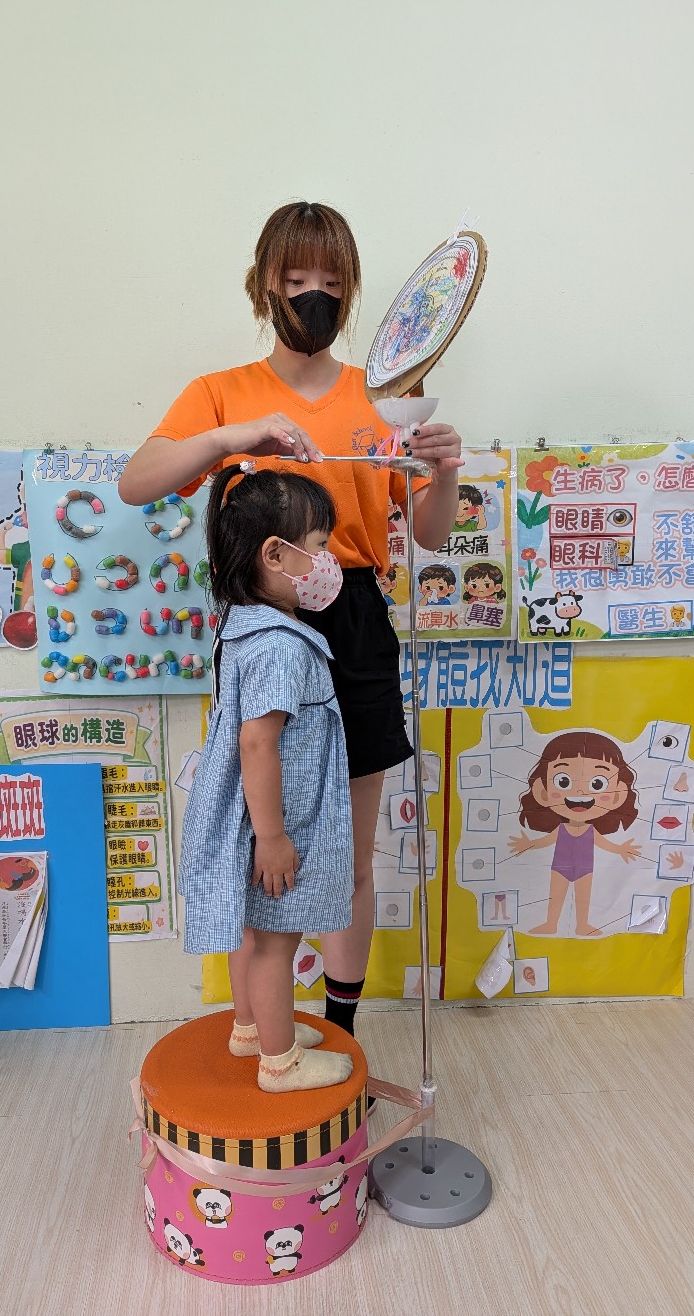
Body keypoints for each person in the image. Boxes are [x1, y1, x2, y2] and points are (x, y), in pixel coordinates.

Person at [119, 200, 464, 1037]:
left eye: (333, 283)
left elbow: (429, 532)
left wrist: (445, 468)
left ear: (353, 294)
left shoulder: (384, 399)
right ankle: (262, 1031)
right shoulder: (222, 392)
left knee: (350, 849)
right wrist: (234, 437)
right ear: (264, 285)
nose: (315, 295)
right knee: (261, 837)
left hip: (354, 616)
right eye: (297, 276)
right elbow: (138, 481)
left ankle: (340, 1029)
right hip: (263, 622)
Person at [179, 465, 355, 1092]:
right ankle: (281, 1063)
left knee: (253, 935)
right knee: (277, 944)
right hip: (278, 823)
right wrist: (274, 838)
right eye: (318, 545)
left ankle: (251, 1028)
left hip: (252, 816)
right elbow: (258, 741)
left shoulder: (244, 626)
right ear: (275, 555)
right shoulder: (279, 644)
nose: (327, 560)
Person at [507, 731, 641, 936]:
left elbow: (603, 844)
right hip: (559, 869)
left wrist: (620, 849)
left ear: (618, 795)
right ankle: (551, 924)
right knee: (556, 896)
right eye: (563, 781)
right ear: (542, 791)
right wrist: (528, 845)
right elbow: (546, 840)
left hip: (585, 870)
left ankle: (582, 925)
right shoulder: (561, 829)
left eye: (597, 784)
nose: (580, 793)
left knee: (583, 899)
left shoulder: (590, 830)